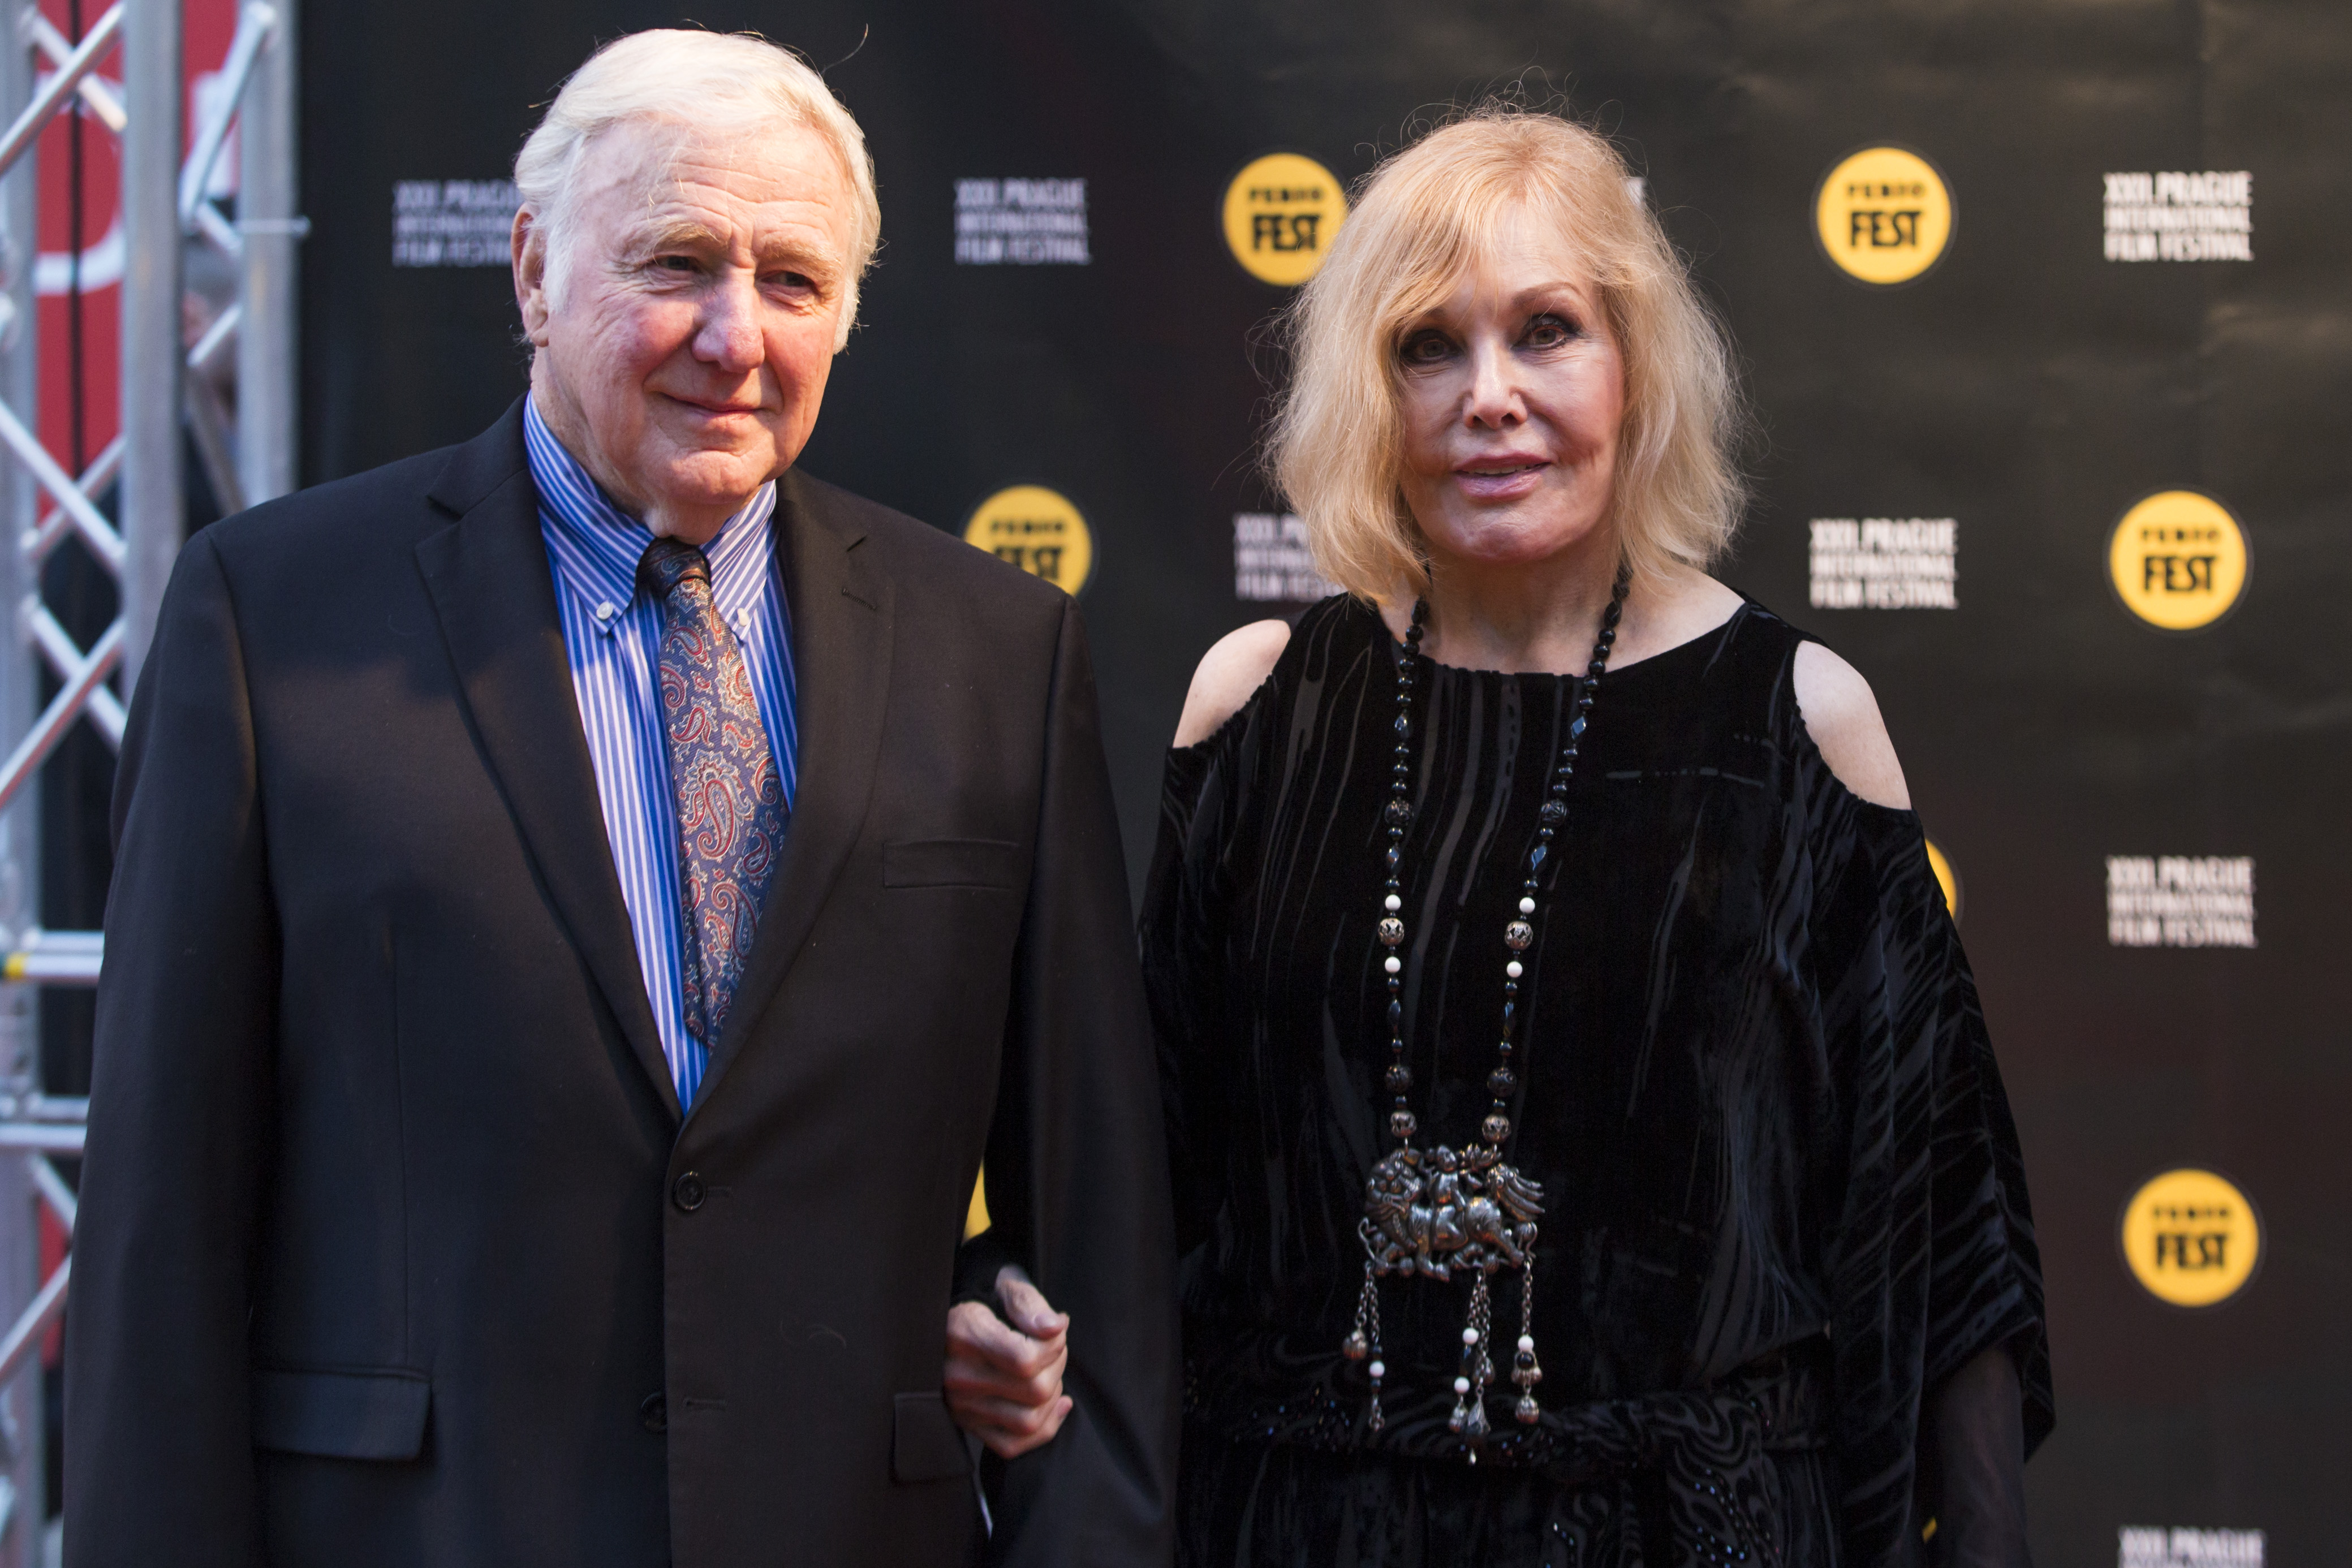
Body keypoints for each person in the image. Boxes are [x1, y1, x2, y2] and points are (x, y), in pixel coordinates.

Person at [66, 29, 1174, 1568]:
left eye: (793, 281)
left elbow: (1091, 1231)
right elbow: (159, 1231)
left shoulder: (994, 648)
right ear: (531, 272)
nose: (735, 335)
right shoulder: (276, 619)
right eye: (675, 263)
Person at [1141, 110, 2049, 1564]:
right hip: (1294, 1526)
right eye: (1427, 346)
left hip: (1686, 1533)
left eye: (1547, 331)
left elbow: (1942, 1230)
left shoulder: (1801, 723)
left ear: (1637, 371)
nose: (1488, 396)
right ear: (1368, 395)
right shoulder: (1259, 708)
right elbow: (1133, 1184)